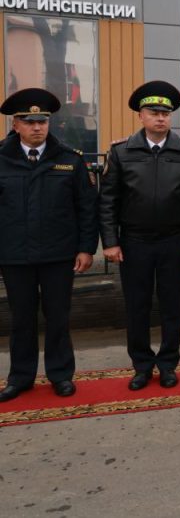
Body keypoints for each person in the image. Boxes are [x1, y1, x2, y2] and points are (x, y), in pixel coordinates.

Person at [98, 81, 180, 391]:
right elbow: (108, 201)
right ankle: (142, 366)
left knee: (172, 305)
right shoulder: (121, 152)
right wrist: (110, 241)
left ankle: (168, 364)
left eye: (166, 113)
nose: (160, 118)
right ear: (140, 116)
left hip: (174, 241)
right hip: (134, 242)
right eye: (153, 112)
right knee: (137, 306)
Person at [0, 88, 97, 402]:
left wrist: (86, 248)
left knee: (58, 317)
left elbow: (86, 207)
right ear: (15, 124)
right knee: (21, 318)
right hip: (14, 254)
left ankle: (60, 375)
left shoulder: (69, 160)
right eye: (29, 121)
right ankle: (20, 377)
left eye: (42, 120)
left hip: (58, 255)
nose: (37, 127)